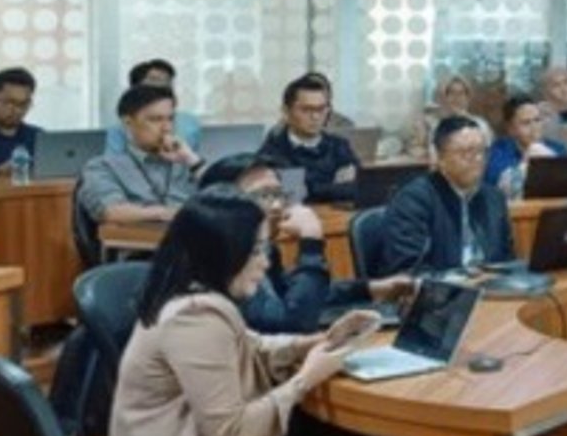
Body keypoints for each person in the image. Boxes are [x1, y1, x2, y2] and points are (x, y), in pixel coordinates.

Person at [99, 187, 393, 436]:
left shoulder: (185, 296)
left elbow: (253, 345)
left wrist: (319, 341)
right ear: (222, 253)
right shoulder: (195, 316)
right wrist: (304, 380)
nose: (265, 262)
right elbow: (230, 431)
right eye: (256, 250)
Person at [199, 155, 412, 335]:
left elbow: (290, 295)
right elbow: (293, 325)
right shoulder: (227, 259)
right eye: (264, 195)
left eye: (279, 194)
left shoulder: (262, 247)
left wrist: (369, 290)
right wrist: (311, 242)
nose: (277, 206)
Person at [377, 116, 514, 275]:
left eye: (482, 151)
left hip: (491, 286)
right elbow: (410, 270)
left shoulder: (494, 198)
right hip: (441, 288)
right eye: (467, 152)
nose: (478, 159)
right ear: (440, 157)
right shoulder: (413, 201)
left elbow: (506, 261)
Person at [79, 83, 200, 226]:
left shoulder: (185, 163)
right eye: (155, 119)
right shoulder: (103, 167)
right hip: (139, 239)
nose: (167, 128)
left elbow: (222, 200)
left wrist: (192, 160)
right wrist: (167, 213)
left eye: (170, 119)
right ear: (128, 122)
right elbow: (111, 211)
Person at [258, 74, 360, 204]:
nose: (315, 116)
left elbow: (359, 188)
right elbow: (295, 196)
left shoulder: (339, 145)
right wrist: (335, 187)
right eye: (306, 109)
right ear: (286, 111)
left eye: (321, 109)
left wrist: (312, 187)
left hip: (338, 215)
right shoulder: (272, 152)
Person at [103, 59, 203, 157]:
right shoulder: (121, 127)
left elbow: (191, 163)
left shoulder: (189, 124)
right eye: (155, 82)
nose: (164, 87)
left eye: (168, 82)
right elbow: (112, 162)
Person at [485, 93, 567, 194]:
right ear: (510, 128)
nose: (534, 128)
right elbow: (497, 186)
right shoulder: (498, 152)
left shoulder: (558, 148)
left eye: (537, 120)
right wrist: (525, 163)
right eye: (526, 123)